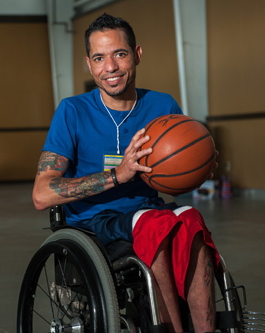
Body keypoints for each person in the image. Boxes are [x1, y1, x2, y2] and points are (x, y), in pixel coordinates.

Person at [33, 13, 220, 333]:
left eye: (120, 54)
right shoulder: (72, 111)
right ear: (89, 65)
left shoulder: (162, 105)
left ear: (137, 54)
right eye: (99, 58)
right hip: (95, 223)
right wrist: (117, 174)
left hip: (150, 212)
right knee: (155, 228)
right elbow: (42, 194)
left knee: (191, 221)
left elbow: (175, 183)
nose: (111, 67)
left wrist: (199, 168)